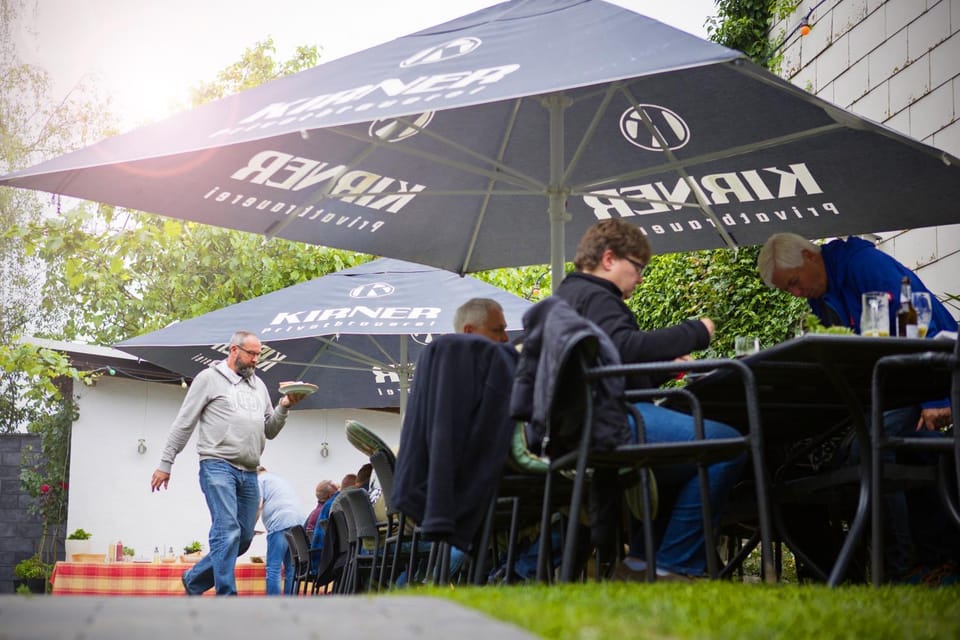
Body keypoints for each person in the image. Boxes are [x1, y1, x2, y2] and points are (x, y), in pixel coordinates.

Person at [758, 232, 959, 581]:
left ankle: (901, 567)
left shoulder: (861, 264)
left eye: (793, 282)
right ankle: (926, 562)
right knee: (846, 453)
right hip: (891, 390)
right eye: (785, 290)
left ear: (809, 256)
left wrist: (937, 399)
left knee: (869, 448)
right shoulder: (820, 297)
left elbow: (915, 317)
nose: (795, 293)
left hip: (931, 378)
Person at [553, 218, 744, 581]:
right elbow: (625, 347)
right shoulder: (596, 297)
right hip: (608, 421)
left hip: (579, 424)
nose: (640, 278)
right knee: (726, 444)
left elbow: (612, 366)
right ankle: (673, 564)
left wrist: (663, 370)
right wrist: (695, 331)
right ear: (609, 258)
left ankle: (641, 564)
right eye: (637, 267)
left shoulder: (566, 297)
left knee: (674, 466)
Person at [150, 330, 306, 596]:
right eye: (252, 353)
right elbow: (184, 423)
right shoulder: (209, 379)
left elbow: (269, 429)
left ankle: (194, 580)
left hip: (250, 471)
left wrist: (285, 406)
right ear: (234, 350)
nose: (256, 359)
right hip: (217, 465)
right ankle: (226, 596)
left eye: (259, 354)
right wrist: (166, 463)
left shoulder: (259, 387)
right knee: (227, 529)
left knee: (243, 538)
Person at [257, 467, 306, 595]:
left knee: (273, 568)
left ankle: (274, 606)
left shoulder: (259, 479)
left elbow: (258, 504)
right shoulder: (280, 480)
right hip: (298, 523)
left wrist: (250, 526)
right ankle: (290, 605)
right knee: (292, 568)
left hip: (280, 522)